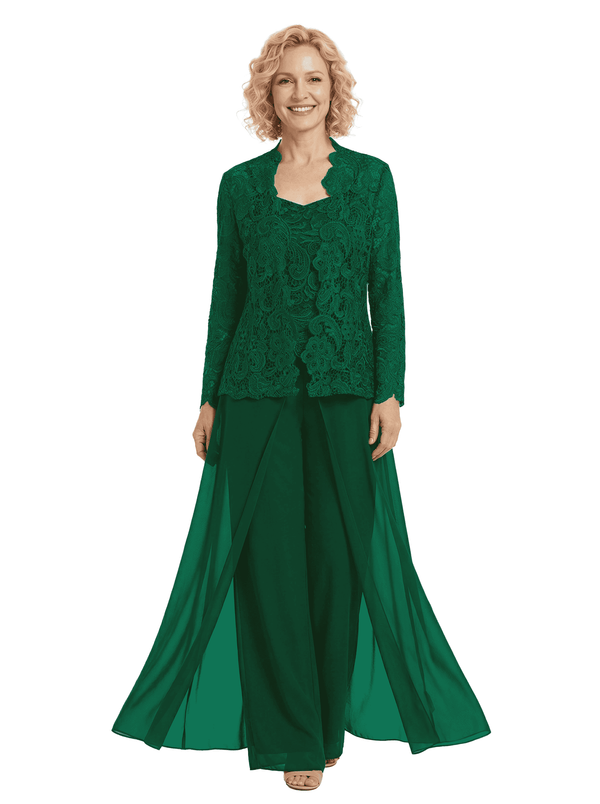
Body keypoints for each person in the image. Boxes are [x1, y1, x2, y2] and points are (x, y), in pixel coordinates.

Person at [111, 25, 491, 792]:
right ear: (268, 93)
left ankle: (323, 722)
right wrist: (207, 396)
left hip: (348, 389)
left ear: (333, 89)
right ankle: (295, 739)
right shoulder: (239, 186)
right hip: (253, 394)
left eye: (314, 78)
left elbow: (388, 290)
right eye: (285, 80)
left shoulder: (372, 180)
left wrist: (391, 390)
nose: (301, 92)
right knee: (268, 564)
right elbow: (226, 296)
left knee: (340, 562)